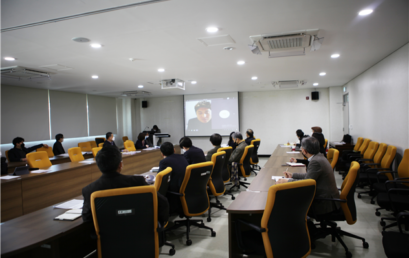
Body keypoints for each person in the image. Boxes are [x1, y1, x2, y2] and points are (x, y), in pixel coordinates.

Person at [82, 145, 169, 224]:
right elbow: (162, 202)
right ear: (120, 165)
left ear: (98, 165)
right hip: (141, 233)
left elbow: (87, 219)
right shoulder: (137, 182)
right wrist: (158, 225)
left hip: (108, 239)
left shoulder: (89, 190)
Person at [277, 137, 340, 215]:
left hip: (324, 202)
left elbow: (307, 183)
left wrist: (286, 181)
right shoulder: (319, 156)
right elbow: (309, 176)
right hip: (327, 197)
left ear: (304, 151)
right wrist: (292, 175)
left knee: (289, 200)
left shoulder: (315, 161)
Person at [158, 142, 189, 215]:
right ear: (174, 150)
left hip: (176, 192)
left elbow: (160, 179)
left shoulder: (164, 162)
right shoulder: (182, 157)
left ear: (162, 154)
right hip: (186, 188)